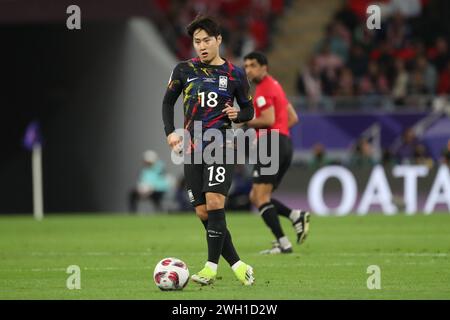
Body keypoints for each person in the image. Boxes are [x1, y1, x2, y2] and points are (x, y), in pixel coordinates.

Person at [161, 15, 255, 286]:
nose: (201, 46)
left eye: (206, 41)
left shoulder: (235, 74)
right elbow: (167, 103)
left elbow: (249, 109)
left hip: (220, 144)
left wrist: (238, 114)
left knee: (215, 203)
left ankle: (210, 268)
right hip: (191, 148)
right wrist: (170, 132)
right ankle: (239, 265)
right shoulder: (183, 70)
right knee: (203, 212)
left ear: (219, 40)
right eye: (196, 41)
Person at [243, 51, 310, 255]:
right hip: (283, 143)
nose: (248, 70)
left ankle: (284, 243)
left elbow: (268, 119)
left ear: (264, 67)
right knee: (256, 196)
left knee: (260, 197)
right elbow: (293, 117)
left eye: (253, 65)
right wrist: (278, 136)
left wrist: (243, 120)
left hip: (273, 145)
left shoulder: (263, 89)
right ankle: (294, 216)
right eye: (246, 66)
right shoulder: (276, 86)